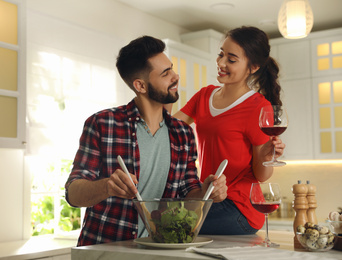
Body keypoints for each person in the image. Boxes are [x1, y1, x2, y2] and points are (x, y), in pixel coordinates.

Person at [64, 35, 228, 246]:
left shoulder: (183, 133)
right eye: (165, 73)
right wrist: (107, 187)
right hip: (105, 249)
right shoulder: (102, 124)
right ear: (140, 85)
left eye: (172, 69)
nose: (175, 77)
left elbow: (188, 193)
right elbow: (73, 193)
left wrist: (207, 191)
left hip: (159, 249)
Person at [166, 26, 286, 235]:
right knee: (162, 215)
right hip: (209, 197)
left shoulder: (258, 106)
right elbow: (169, 129)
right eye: (221, 54)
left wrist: (267, 155)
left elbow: (261, 175)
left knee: (168, 221)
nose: (221, 63)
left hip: (238, 208)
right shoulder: (204, 95)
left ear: (253, 67)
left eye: (231, 59)